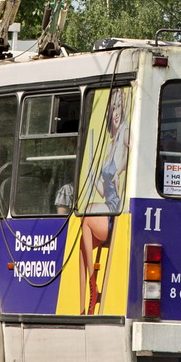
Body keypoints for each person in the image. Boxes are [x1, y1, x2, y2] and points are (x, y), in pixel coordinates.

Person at [77, 88, 130, 315]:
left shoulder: (125, 133)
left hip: (116, 211)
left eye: (118, 106)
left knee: (86, 218)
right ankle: (85, 303)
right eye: (112, 107)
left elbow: (129, 157)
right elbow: (102, 191)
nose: (115, 112)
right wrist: (91, 174)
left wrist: (123, 166)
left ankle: (92, 287)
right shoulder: (109, 143)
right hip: (109, 205)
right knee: (82, 238)